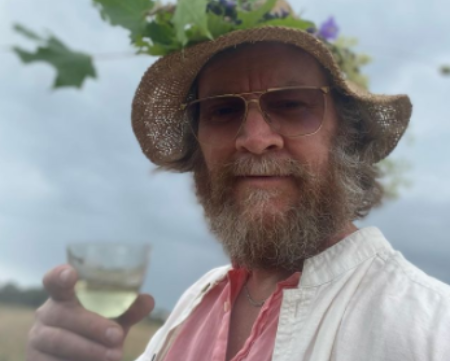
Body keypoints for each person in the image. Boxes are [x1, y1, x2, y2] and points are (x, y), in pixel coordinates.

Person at [26, 26, 450, 361]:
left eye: (291, 105)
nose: (255, 139)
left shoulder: (430, 331)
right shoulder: (196, 301)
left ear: (348, 133)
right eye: (223, 110)